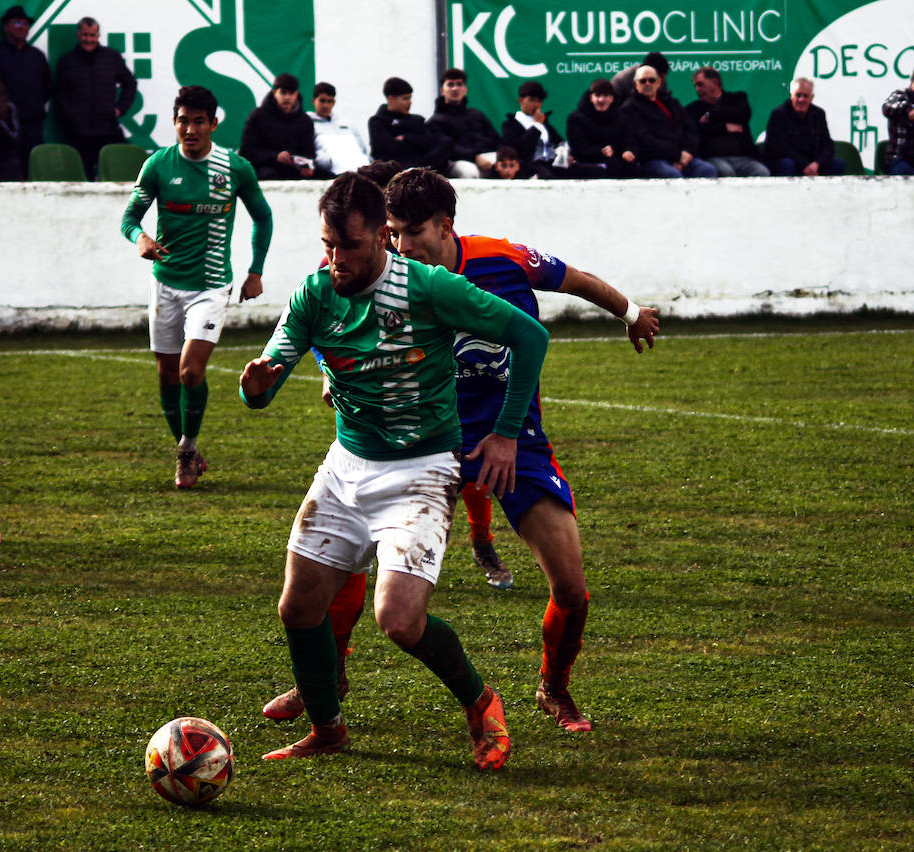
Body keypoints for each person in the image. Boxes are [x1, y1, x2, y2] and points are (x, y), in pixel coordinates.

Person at [263, 167, 659, 733]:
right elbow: (324, 329)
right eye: (392, 233)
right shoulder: (366, 275)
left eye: (411, 232)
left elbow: (575, 282)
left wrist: (629, 313)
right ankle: (327, 678)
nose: (400, 245)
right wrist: (329, 373)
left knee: (570, 583)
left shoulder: (502, 260)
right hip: (420, 444)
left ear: (446, 226)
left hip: (509, 432)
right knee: (345, 559)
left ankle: (555, 689)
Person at [239, 171, 550, 768]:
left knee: (399, 618)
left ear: (383, 237)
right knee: (297, 608)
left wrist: (507, 434)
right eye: (326, 244)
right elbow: (270, 371)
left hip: (423, 471)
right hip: (346, 466)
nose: (334, 260)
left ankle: (481, 701)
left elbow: (529, 337)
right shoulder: (313, 293)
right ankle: (328, 728)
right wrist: (258, 386)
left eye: (348, 246)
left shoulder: (429, 288)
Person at [121, 85, 273, 489]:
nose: (190, 129)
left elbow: (263, 216)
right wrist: (141, 239)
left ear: (213, 124)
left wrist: (255, 270)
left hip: (210, 286)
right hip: (166, 284)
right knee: (167, 374)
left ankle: (186, 450)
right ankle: (186, 448)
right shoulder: (157, 165)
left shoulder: (234, 168)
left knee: (190, 371)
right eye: (183, 121)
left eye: (199, 121)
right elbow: (130, 216)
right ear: (174, 123)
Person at [54, 16, 136, 178]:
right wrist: (70, 115)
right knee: (80, 177)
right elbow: (59, 93)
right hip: (77, 131)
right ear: (78, 34)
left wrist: (120, 108)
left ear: (98, 35)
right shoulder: (66, 61)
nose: (88, 39)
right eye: (85, 35)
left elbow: (130, 84)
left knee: (116, 173)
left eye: (92, 35)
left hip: (107, 128)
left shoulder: (111, 58)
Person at [0, 4, 51, 170]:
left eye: (25, 23)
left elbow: (47, 87)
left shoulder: (37, 56)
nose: (22, 27)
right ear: (6, 27)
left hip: (32, 125)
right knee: (6, 169)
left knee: (34, 168)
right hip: (3, 124)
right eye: (17, 23)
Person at [620, 66, 717, 179]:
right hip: (653, 160)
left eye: (652, 80)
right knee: (672, 175)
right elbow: (645, 141)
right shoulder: (629, 108)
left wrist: (687, 152)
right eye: (643, 81)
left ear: (659, 82)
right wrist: (677, 156)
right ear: (635, 84)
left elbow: (691, 129)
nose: (648, 83)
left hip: (684, 157)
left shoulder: (672, 103)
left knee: (707, 170)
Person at [685, 67, 769, 177]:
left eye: (700, 84)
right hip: (713, 158)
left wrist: (710, 116)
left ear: (714, 82)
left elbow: (742, 114)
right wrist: (724, 127)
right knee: (726, 172)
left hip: (743, 158)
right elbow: (699, 130)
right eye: (695, 85)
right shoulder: (693, 109)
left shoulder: (737, 99)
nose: (697, 89)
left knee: (762, 172)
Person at [239, 73, 322, 180]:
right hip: (264, 168)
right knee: (270, 175)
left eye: (291, 93)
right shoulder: (258, 116)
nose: (287, 97)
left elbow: (308, 154)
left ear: (296, 95)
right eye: (283, 93)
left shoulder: (305, 121)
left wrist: (307, 167)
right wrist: (275, 156)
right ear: (274, 93)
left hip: (293, 170)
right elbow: (246, 152)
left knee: (327, 176)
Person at [764, 77, 844, 177]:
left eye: (805, 96)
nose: (801, 99)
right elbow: (780, 148)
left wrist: (817, 164)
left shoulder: (818, 114)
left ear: (812, 97)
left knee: (837, 164)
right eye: (798, 95)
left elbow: (828, 145)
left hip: (811, 163)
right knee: (787, 164)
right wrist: (805, 165)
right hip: (786, 161)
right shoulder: (779, 114)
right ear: (791, 96)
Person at [427, 68, 499, 179]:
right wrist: (475, 157)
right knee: (469, 171)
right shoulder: (435, 121)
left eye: (459, 84)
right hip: (457, 162)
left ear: (465, 89)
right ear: (442, 90)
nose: (455, 88)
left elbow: (495, 140)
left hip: (484, 157)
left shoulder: (477, 114)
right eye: (450, 85)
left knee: (506, 165)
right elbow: (447, 149)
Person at [368, 76, 451, 172]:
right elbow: (389, 148)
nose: (409, 102)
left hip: (421, 164)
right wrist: (415, 143)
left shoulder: (417, 120)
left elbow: (428, 142)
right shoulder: (377, 122)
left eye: (410, 98)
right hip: (396, 168)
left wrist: (406, 137)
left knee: (446, 143)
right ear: (391, 99)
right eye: (405, 99)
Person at [499, 80, 569, 179]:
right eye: (532, 100)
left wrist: (564, 156)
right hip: (532, 167)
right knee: (548, 176)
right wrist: (536, 126)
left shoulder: (545, 124)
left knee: (592, 170)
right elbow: (520, 150)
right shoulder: (510, 125)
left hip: (553, 163)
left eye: (539, 101)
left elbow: (560, 142)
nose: (536, 105)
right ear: (521, 101)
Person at [567, 78, 636, 177]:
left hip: (614, 163)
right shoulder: (576, 118)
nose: (601, 100)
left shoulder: (622, 118)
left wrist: (629, 151)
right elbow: (579, 149)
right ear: (591, 98)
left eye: (606, 96)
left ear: (611, 98)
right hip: (586, 164)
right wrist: (601, 151)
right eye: (598, 95)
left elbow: (629, 142)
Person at [308, 81, 369, 175]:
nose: (326, 105)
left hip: (360, 174)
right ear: (313, 101)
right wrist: (324, 161)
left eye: (329, 101)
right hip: (330, 175)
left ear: (334, 102)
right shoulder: (307, 123)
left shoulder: (347, 123)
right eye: (322, 101)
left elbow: (362, 149)